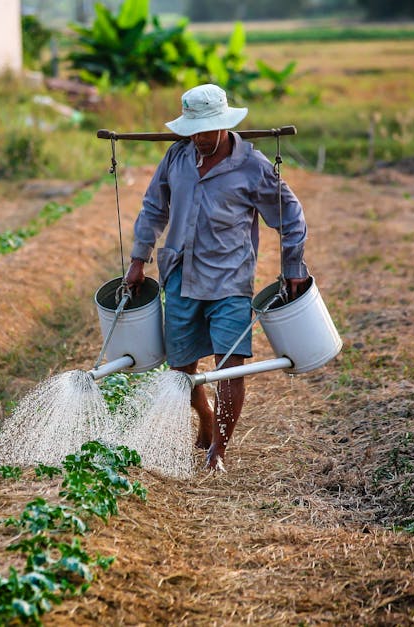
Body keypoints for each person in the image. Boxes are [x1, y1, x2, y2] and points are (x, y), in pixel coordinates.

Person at [123, 83, 310, 472]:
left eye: (207, 131)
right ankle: (205, 417)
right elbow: (153, 208)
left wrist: (292, 267)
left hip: (230, 281)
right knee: (181, 370)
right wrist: (138, 259)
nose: (200, 139)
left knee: (231, 366)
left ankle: (217, 453)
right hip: (180, 276)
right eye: (194, 131)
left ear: (225, 125)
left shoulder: (253, 167)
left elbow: (291, 217)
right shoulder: (176, 158)